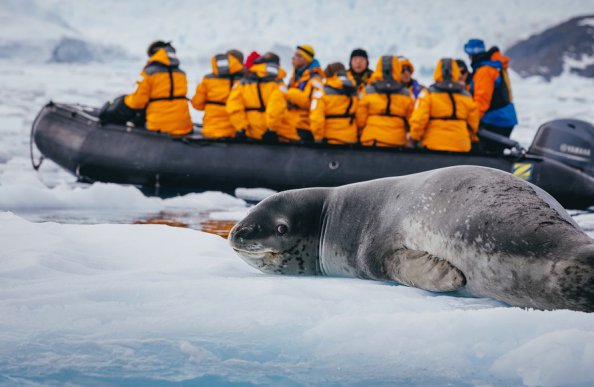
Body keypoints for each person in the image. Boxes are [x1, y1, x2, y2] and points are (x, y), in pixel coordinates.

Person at [120, 41, 192, 135]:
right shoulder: (181, 74)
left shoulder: (149, 72)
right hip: (183, 125)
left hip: (158, 126)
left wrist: (124, 101)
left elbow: (136, 102)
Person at [409, 58, 479, 152]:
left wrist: (413, 139)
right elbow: (473, 124)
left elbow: (419, 120)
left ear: (437, 72)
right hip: (461, 145)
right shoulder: (466, 96)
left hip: (433, 145)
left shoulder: (428, 94)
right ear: (456, 73)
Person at [226, 52, 298, 142]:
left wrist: (240, 128)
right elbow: (276, 108)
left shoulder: (240, 83)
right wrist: (271, 129)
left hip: (251, 133)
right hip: (279, 135)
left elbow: (233, 107)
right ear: (277, 65)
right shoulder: (278, 84)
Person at [464, 39, 518, 149]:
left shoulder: (485, 71)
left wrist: (471, 124)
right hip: (503, 118)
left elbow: (481, 102)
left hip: (496, 120)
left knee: (485, 150)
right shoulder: (492, 66)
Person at [356, 55, 414, 147]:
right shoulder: (406, 93)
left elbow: (360, 119)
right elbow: (412, 119)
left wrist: (359, 134)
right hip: (397, 141)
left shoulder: (368, 90)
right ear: (397, 69)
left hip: (371, 139)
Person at [191, 50, 245, 138]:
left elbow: (197, 104)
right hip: (239, 132)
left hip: (212, 130)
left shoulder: (208, 79)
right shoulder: (247, 80)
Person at [310, 63, 359, 144]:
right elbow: (360, 115)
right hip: (351, 138)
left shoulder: (321, 93)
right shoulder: (354, 90)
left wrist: (318, 138)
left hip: (330, 140)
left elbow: (316, 119)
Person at [286, 45, 325, 142]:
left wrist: (289, 94)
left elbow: (309, 103)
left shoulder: (315, 79)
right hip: (289, 126)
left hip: (303, 128)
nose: (293, 58)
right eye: (294, 55)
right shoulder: (295, 78)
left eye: (298, 56)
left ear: (307, 60)